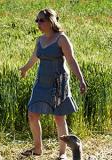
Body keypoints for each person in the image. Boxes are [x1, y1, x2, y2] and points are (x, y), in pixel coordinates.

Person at [18, 8, 87, 159]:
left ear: (51, 21)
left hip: (58, 82)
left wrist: (81, 79)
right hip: (41, 82)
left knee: (59, 117)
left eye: (41, 20)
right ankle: (37, 149)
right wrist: (24, 69)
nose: (38, 23)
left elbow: (71, 60)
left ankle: (62, 153)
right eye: (36, 20)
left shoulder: (61, 39)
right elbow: (34, 58)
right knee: (32, 114)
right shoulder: (40, 40)